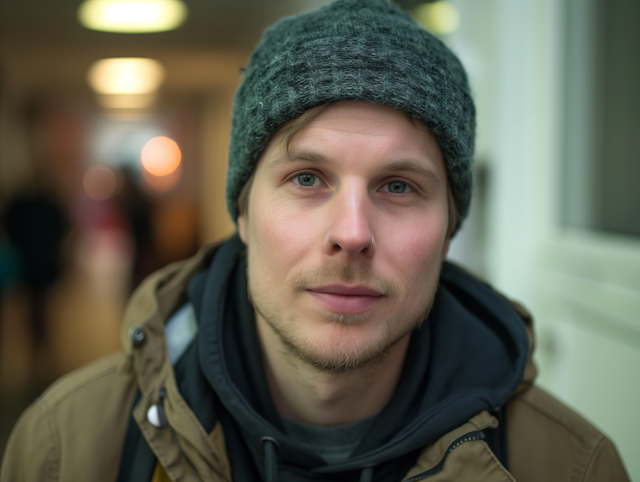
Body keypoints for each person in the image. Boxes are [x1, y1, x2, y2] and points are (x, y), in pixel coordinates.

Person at [1, 1, 630, 481]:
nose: (352, 234)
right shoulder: (68, 447)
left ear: (449, 229)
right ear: (242, 213)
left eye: (400, 187)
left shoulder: (571, 465)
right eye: (307, 178)